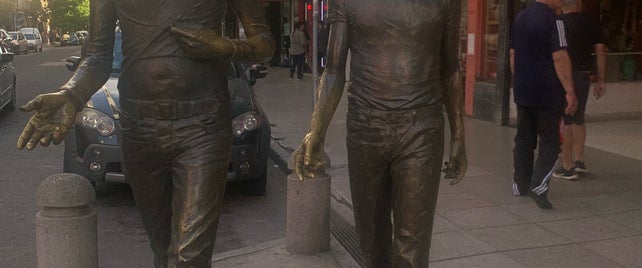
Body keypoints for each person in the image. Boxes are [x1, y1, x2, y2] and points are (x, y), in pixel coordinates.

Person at [16, 0, 274, 267]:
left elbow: (265, 44)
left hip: (203, 126)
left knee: (189, 258)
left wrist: (226, 48)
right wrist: (70, 94)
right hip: (139, 128)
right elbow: (97, 57)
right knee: (163, 253)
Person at [292, 0, 467, 266]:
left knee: (412, 247)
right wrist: (316, 131)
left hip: (421, 129)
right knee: (371, 242)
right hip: (365, 127)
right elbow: (334, 70)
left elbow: (451, 68)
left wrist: (458, 135)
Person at [510, 0, 578, 209]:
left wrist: (519, 79)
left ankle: (519, 184)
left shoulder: (520, 19)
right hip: (547, 92)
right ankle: (538, 184)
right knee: (550, 141)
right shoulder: (554, 21)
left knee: (524, 138)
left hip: (523, 90)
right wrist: (570, 91)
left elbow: (513, 54)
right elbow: (559, 57)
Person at [552, 0, 607, 180]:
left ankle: (566, 167)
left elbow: (557, 55)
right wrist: (601, 78)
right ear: (578, 5)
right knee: (578, 118)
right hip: (583, 76)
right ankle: (579, 161)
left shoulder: (558, 23)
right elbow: (600, 51)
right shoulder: (591, 23)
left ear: (564, 6)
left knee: (566, 119)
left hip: (565, 76)